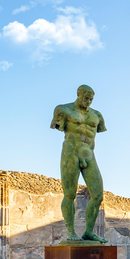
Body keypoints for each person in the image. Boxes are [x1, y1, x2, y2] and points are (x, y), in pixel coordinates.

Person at [50, 85, 108, 243]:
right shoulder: (63, 110)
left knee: (97, 195)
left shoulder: (97, 115)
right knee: (69, 193)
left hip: (89, 154)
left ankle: (89, 232)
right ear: (78, 94)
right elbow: (58, 126)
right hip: (71, 153)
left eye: (91, 99)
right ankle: (70, 231)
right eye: (86, 98)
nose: (88, 101)